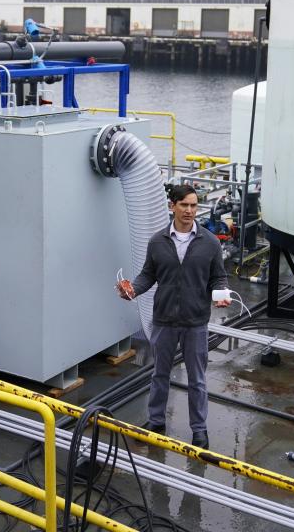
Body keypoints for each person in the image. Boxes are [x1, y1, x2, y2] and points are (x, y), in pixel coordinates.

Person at [116, 184, 230, 450]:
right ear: (172, 206)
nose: (190, 210)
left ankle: (199, 430)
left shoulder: (210, 242)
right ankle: (156, 421)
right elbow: (148, 275)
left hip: (195, 322)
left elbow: (218, 277)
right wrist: (133, 290)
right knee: (159, 374)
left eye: (193, 205)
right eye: (184, 205)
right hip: (164, 320)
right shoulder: (157, 242)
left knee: (197, 379)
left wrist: (221, 293)